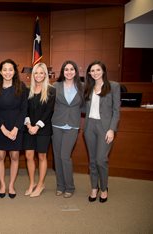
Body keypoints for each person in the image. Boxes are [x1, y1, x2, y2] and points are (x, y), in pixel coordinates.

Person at [84, 60, 120, 203]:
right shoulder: (88, 87)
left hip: (105, 127)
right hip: (89, 127)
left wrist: (112, 129)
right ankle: (94, 187)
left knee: (101, 160)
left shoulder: (114, 86)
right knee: (92, 161)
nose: (95, 73)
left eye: (98, 70)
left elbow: (116, 111)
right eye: (92, 71)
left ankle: (104, 188)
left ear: (103, 71)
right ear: (89, 73)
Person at [0, 59, 27, 199]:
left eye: (10, 69)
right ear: (0, 72)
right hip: (0, 126)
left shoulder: (21, 87)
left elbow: (24, 109)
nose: (7, 72)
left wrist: (16, 129)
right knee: (0, 155)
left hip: (16, 127)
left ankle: (11, 185)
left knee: (15, 156)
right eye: (4, 69)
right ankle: (2, 185)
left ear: (14, 71)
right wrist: (3, 129)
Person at [51, 60, 84, 198]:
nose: (69, 72)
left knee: (65, 156)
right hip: (57, 125)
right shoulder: (56, 86)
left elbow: (84, 106)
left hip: (72, 126)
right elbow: (49, 104)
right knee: (57, 157)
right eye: (66, 69)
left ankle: (70, 187)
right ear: (62, 72)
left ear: (75, 71)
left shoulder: (82, 86)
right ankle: (60, 185)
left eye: (71, 69)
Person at [23, 62, 56, 198]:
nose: (38, 75)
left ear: (45, 75)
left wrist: (37, 127)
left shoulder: (51, 90)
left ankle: (41, 184)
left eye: (41, 73)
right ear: (32, 75)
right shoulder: (27, 90)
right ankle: (32, 183)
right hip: (29, 128)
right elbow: (24, 110)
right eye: (36, 72)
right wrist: (29, 125)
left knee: (41, 156)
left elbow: (49, 111)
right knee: (29, 156)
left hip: (43, 129)